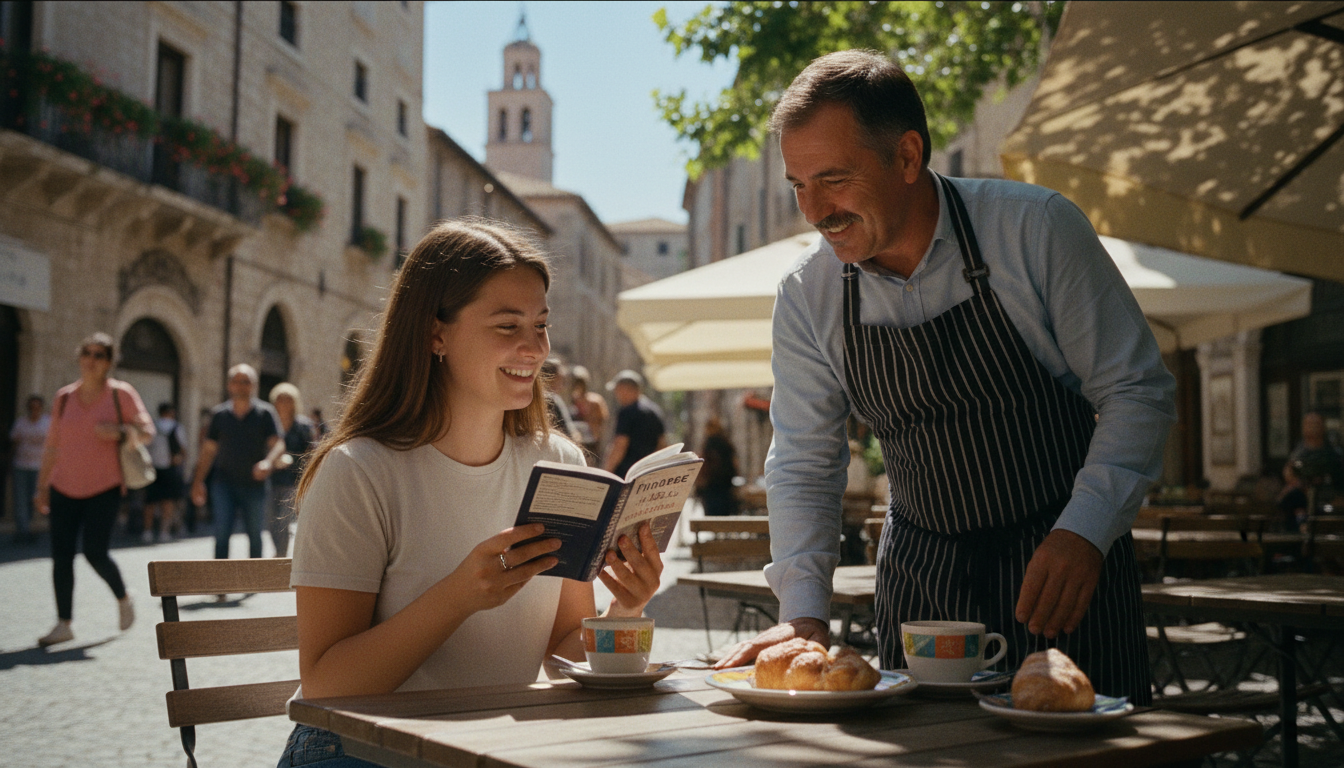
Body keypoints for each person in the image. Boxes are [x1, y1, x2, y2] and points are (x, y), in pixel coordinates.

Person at [715, 51, 1175, 705]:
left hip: (1061, 572)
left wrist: (1086, 530)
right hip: (920, 582)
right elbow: (804, 462)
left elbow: (1137, 391)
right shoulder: (807, 295)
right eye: (798, 185)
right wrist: (803, 612)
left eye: (834, 179)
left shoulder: (1034, 230)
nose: (814, 211)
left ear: (907, 157)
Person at [276, 219, 663, 767]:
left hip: (492, 750)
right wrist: (457, 596)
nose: (535, 348)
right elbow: (324, 685)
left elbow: (563, 651)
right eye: (508, 326)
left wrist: (625, 606)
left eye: (541, 324)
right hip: (358, 752)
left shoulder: (559, 463)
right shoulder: (359, 472)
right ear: (436, 334)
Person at [33, 332, 152, 646]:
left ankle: (123, 597)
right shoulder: (63, 398)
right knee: (61, 556)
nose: (91, 359)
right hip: (62, 485)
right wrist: (42, 486)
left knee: (95, 552)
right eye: (87, 353)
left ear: (109, 362)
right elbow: (51, 447)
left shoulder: (121, 394)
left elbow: (147, 432)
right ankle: (64, 623)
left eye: (100, 355)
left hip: (105, 486)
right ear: (79, 356)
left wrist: (118, 431)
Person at [190, 364, 286, 561]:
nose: (241, 386)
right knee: (222, 535)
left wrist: (268, 462)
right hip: (223, 483)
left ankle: (254, 584)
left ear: (254, 385)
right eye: (237, 381)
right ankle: (221, 587)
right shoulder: (219, 415)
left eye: (246, 382)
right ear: (229, 385)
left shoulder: (265, 413)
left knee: (254, 536)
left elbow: (278, 445)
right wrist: (198, 481)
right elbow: (208, 451)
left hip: (255, 485)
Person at [266, 382, 316, 558]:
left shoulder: (303, 426)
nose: (284, 403)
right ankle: (279, 552)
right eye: (280, 399)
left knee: (283, 520)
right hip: (271, 479)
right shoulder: (268, 424)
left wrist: (291, 460)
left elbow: (310, 453)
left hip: (293, 481)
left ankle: (280, 555)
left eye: (288, 400)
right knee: (271, 521)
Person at [1278, 412, 1344, 529]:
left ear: (1322, 427)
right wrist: (1295, 483)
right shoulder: (1299, 449)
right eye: (1308, 424)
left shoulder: (1332, 452)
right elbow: (1290, 469)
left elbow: (1336, 476)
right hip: (1301, 494)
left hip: (1325, 496)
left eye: (1315, 424)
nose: (1311, 427)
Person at [602, 369, 667, 478]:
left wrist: (606, 473)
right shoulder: (654, 411)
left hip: (626, 476)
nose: (616, 395)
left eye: (617, 390)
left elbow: (620, 445)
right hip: (647, 474)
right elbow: (662, 445)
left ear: (625, 389)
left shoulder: (627, 412)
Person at [143, 402, 188, 543]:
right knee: (168, 502)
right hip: (170, 469)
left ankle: (147, 531)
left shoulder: (152, 426)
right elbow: (183, 449)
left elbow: (144, 447)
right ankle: (164, 532)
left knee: (150, 502)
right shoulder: (177, 427)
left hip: (152, 469)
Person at [9, 394, 49, 545]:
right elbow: (14, 443)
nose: (35, 410)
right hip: (21, 465)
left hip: (40, 467)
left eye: (37, 407)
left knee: (36, 499)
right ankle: (23, 531)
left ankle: (34, 528)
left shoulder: (47, 423)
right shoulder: (21, 422)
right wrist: (9, 463)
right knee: (20, 499)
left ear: (41, 408)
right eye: (32, 407)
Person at [696, 417, 740, 517]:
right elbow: (735, 463)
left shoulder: (709, 444)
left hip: (712, 488)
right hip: (725, 487)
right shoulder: (726, 443)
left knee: (713, 519)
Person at [568, 364, 608, 461]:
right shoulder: (571, 400)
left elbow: (599, 425)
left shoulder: (594, 401)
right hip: (572, 443)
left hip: (590, 445)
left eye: (579, 383)